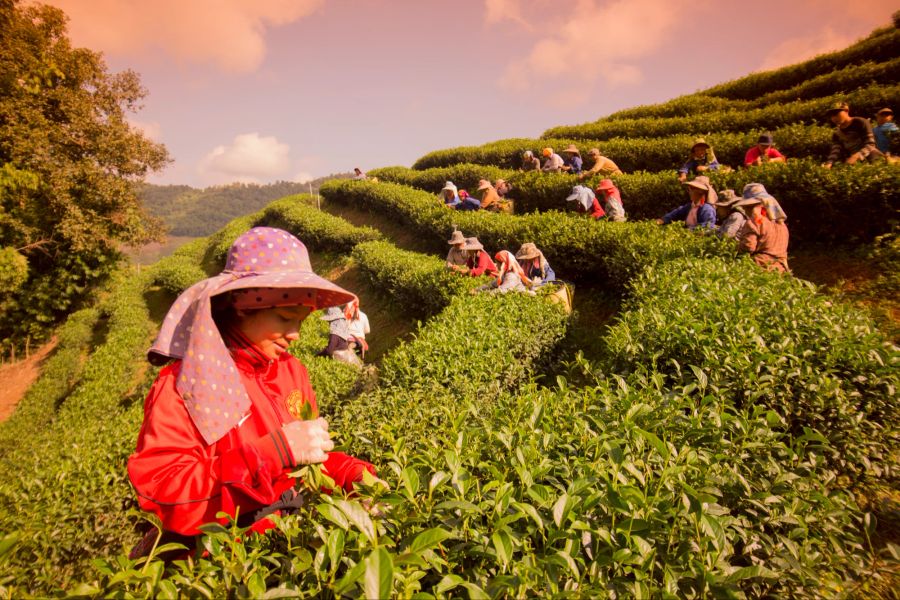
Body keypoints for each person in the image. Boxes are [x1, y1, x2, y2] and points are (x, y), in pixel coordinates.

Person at [127, 227, 375, 555]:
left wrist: (354, 475)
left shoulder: (292, 372)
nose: (295, 334)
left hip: (284, 549)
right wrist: (271, 453)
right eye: (285, 318)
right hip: (220, 563)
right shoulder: (183, 385)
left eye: (300, 321)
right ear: (242, 308)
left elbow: (309, 459)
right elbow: (166, 491)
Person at [734, 187, 790, 273]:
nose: (744, 210)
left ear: (751, 207)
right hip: (780, 269)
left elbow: (748, 246)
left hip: (760, 268)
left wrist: (734, 255)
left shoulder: (754, 222)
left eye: (745, 207)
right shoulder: (782, 225)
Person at [823, 102, 883, 167]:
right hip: (853, 161)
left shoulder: (860, 122)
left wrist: (856, 156)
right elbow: (836, 150)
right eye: (831, 116)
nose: (834, 118)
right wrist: (829, 163)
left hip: (870, 156)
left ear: (846, 111)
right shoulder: (837, 133)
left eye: (836, 114)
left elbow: (870, 144)